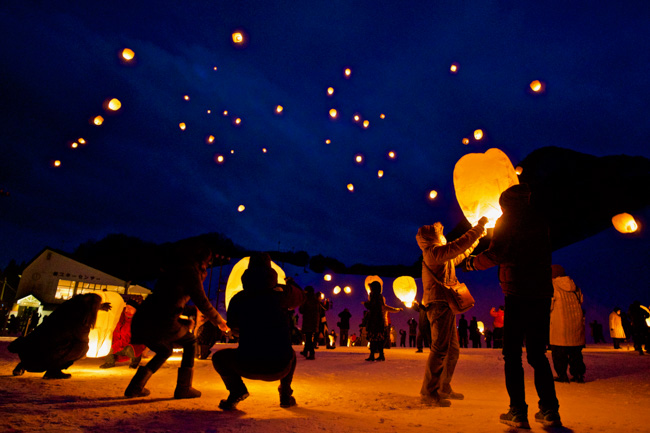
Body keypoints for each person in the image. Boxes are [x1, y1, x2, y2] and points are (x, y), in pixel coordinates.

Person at [465, 183, 561, 428]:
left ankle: (517, 410)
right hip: (540, 293)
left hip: (517, 292)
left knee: (512, 355)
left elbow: (497, 254)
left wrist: (473, 263)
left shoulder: (508, 222)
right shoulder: (540, 221)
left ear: (506, 203)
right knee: (538, 354)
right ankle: (550, 409)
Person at [124, 238, 229, 399]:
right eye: (208, 261)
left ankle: (135, 386)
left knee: (164, 350)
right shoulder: (190, 272)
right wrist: (220, 322)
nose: (208, 264)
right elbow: (202, 301)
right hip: (161, 320)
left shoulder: (174, 268)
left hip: (145, 316)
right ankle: (184, 388)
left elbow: (169, 299)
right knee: (190, 341)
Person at [212, 252, 305, 410]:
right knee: (290, 353)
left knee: (219, 358)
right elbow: (301, 297)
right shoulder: (282, 295)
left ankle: (236, 391)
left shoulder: (238, 299)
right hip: (279, 367)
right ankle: (285, 393)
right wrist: (289, 285)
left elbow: (234, 329)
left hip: (246, 364)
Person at [416, 216, 486, 406]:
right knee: (439, 349)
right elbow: (457, 246)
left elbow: (460, 253)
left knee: (452, 350)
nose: (443, 236)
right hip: (438, 304)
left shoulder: (440, 255)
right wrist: (477, 229)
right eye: (440, 234)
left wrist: (477, 239)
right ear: (433, 238)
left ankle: (443, 387)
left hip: (445, 304)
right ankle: (429, 392)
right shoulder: (432, 253)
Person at [9, 293, 110, 379]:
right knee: (80, 348)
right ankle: (53, 371)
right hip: (57, 341)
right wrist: (85, 344)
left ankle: (24, 366)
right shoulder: (79, 315)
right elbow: (80, 334)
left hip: (43, 337)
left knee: (40, 351)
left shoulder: (74, 304)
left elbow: (86, 306)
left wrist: (100, 307)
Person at [549, 265, 586, 383]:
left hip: (560, 325)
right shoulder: (575, 287)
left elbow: (548, 305)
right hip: (575, 325)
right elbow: (581, 300)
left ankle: (562, 375)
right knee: (576, 353)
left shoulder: (552, 286)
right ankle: (578, 374)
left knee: (559, 354)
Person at [100, 299, 147, 369]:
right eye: (127, 307)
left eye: (131, 308)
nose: (127, 310)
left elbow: (127, 339)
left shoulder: (137, 323)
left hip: (129, 345)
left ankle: (135, 361)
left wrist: (114, 348)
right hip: (117, 342)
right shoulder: (119, 316)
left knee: (130, 350)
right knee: (106, 345)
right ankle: (109, 362)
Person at [363, 281, 402, 361]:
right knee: (379, 338)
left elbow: (373, 307)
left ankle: (373, 355)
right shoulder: (380, 297)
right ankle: (380, 355)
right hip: (379, 320)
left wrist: (366, 304)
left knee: (373, 338)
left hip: (375, 320)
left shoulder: (374, 296)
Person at [299, 286, 319, 360]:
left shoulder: (308, 300)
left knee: (308, 338)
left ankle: (311, 353)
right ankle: (305, 351)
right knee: (308, 338)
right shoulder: (315, 300)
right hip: (312, 322)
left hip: (308, 322)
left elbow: (302, 310)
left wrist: (302, 303)